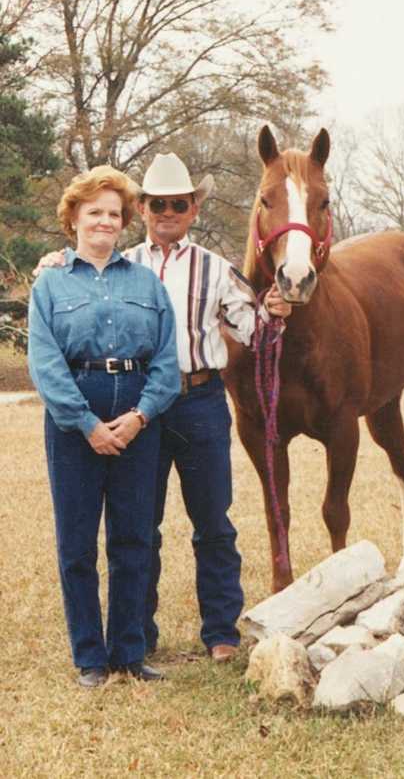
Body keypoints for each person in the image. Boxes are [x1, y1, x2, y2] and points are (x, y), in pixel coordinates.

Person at [37, 152, 292, 663]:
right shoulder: (123, 264)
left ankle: (220, 630)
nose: (168, 212)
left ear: (193, 209)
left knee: (213, 520)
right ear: (144, 208)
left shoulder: (216, 269)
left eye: (179, 203)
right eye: (158, 204)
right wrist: (54, 260)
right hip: (138, 404)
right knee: (139, 525)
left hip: (197, 399)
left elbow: (254, 331)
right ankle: (139, 634)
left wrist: (276, 311)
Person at [28, 165, 180, 687]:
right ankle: (90, 658)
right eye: (95, 212)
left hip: (137, 414)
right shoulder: (49, 284)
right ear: (73, 218)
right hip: (75, 418)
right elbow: (45, 364)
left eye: (114, 214)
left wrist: (139, 417)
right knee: (77, 544)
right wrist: (87, 423)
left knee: (134, 538)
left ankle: (129, 654)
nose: (105, 222)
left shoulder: (146, 283)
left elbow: (165, 359)